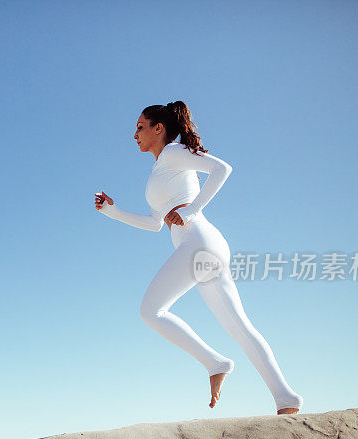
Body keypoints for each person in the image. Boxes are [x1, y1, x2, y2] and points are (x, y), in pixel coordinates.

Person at [94, 101, 303, 415]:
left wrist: (191, 210)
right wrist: (112, 212)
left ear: (158, 128)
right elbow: (154, 223)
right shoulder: (160, 169)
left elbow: (222, 169)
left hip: (199, 241)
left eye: (140, 127)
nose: (134, 134)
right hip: (202, 247)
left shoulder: (173, 153)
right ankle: (286, 399)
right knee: (240, 327)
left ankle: (215, 362)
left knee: (150, 311)